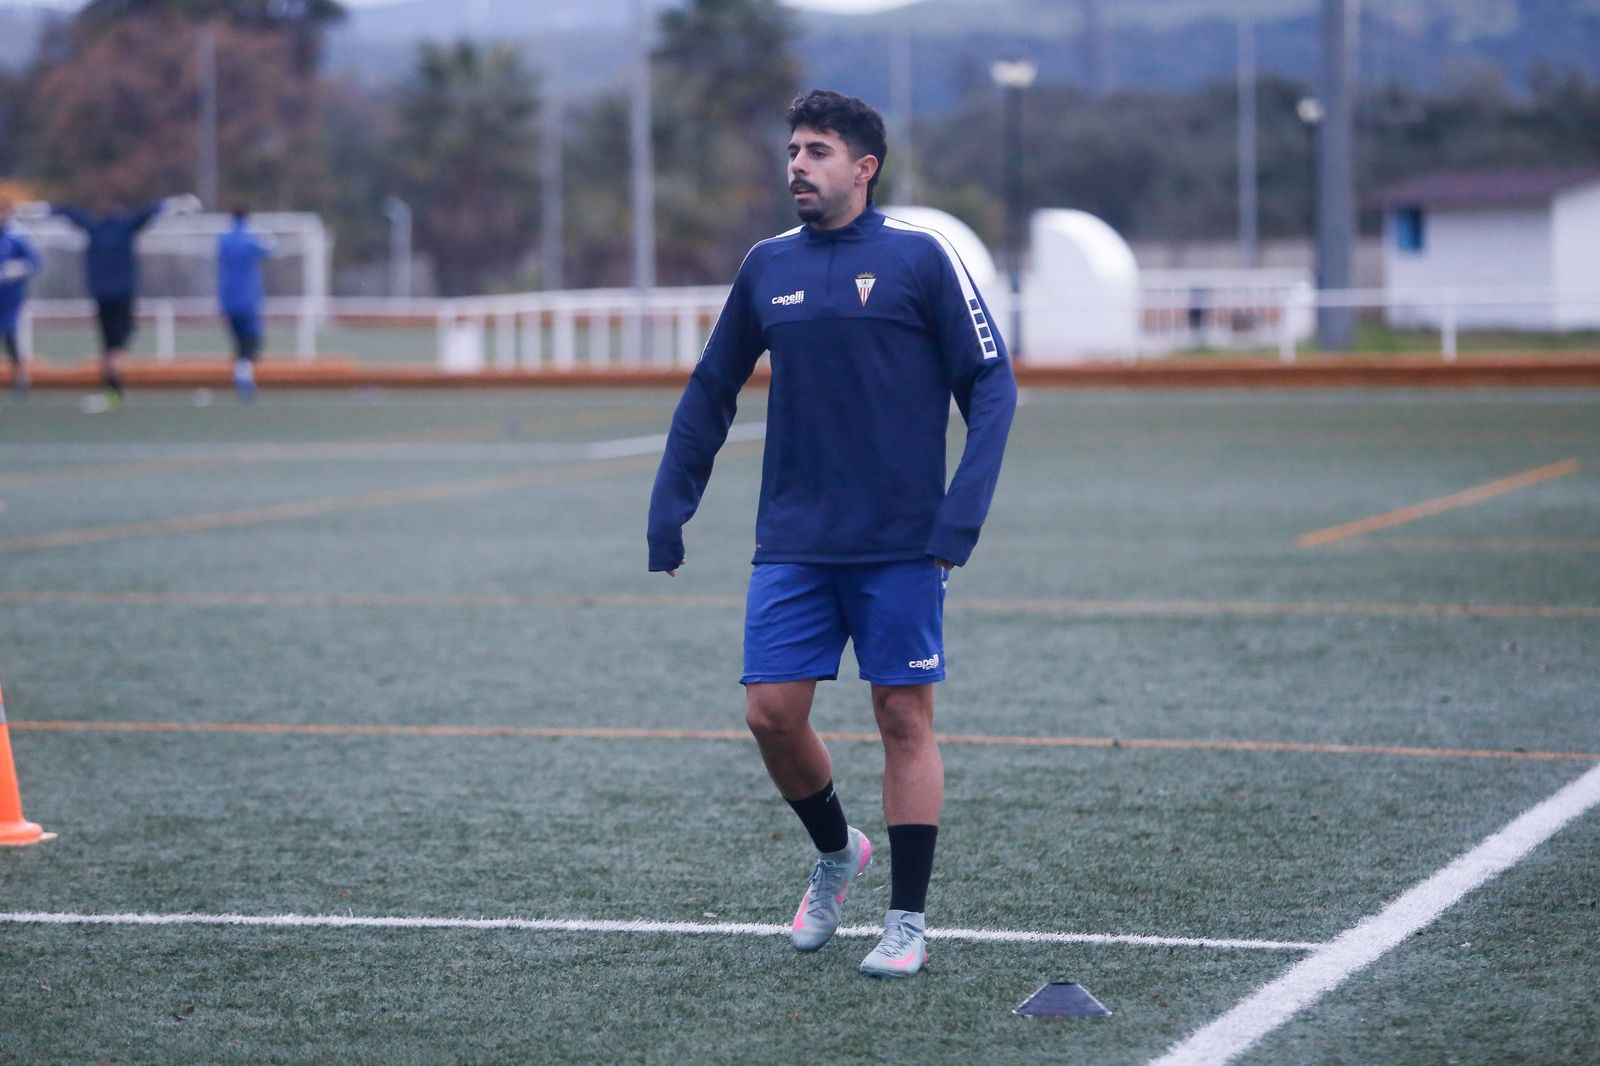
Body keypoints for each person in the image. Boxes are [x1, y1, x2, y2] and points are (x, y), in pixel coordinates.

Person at [647, 90, 1016, 979]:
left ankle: (907, 920)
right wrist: (672, 496)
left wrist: (957, 517)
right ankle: (834, 852)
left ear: (864, 167)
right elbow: (711, 387)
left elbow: (992, 386)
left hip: (900, 543)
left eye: (816, 152)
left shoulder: (922, 259)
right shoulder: (767, 266)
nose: (796, 167)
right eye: (792, 151)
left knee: (901, 717)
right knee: (771, 714)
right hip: (796, 541)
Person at [44, 192, 201, 410]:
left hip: (101, 295)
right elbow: (150, 211)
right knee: (117, 344)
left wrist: (43, 208)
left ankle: (112, 387)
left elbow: (70, 213)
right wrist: (177, 204)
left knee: (110, 344)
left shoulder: (94, 228)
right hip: (122, 295)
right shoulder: (125, 228)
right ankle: (113, 389)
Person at [217, 207, 274, 402]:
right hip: (248, 300)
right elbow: (271, 250)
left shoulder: (223, 240)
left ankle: (242, 375)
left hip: (227, 299)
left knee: (239, 342)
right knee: (251, 342)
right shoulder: (251, 239)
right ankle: (244, 378)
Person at [0, 195, 42, 400]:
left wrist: (16, 270)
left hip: (9, 299)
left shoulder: (15, 239)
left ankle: (20, 378)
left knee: (10, 338)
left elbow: (35, 263)